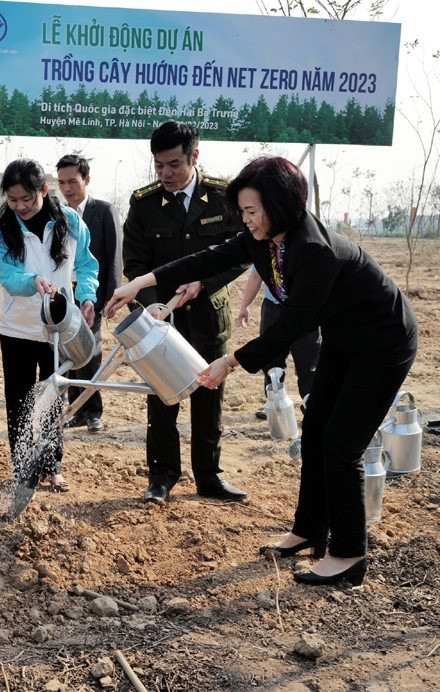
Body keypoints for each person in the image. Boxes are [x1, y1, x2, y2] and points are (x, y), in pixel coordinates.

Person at [106, 156, 418, 587]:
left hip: (383, 343)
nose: (245, 220)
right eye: (243, 211)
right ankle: (309, 530)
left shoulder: (313, 250)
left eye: (252, 211)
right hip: (346, 340)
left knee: (340, 445)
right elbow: (209, 258)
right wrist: (138, 283)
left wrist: (229, 362)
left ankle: (348, 554)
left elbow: (290, 327)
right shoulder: (265, 238)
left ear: (280, 203)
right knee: (315, 435)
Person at [122, 121, 249, 505]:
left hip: (209, 316)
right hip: (163, 323)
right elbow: (135, 264)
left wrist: (204, 283)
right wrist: (159, 303)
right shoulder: (143, 204)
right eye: (159, 166)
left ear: (195, 156)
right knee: (162, 398)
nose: (165, 174)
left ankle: (209, 477)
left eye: (174, 164)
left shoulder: (224, 196)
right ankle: (161, 477)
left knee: (209, 397)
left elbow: (243, 252)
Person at [0, 159, 98, 493]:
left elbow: (86, 264)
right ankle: (23, 467)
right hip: (17, 328)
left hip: (58, 327)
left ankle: (52, 465)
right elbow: (8, 277)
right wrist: (32, 280)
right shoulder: (3, 231)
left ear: (44, 191)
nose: (20, 207)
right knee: (19, 400)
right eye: (13, 200)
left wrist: (87, 296)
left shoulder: (69, 220)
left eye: (27, 199)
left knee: (52, 397)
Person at [55, 153, 122, 433]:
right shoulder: (55, 214)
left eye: (73, 181)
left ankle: (93, 411)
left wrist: (109, 298)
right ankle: (77, 410)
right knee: (66, 351)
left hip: (91, 294)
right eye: (62, 183)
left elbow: (114, 257)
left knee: (89, 351)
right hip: (63, 294)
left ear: (86, 180)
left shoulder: (104, 211)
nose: (67, 188)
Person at [237, 266, 320, 418]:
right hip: (273, 307)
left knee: (309, 362)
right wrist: (245, 306)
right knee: (271, 360)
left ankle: (312, 406)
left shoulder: (308, 247)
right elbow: (256, 276)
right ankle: (274, 403)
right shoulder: (266, 246)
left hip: (305, 309)